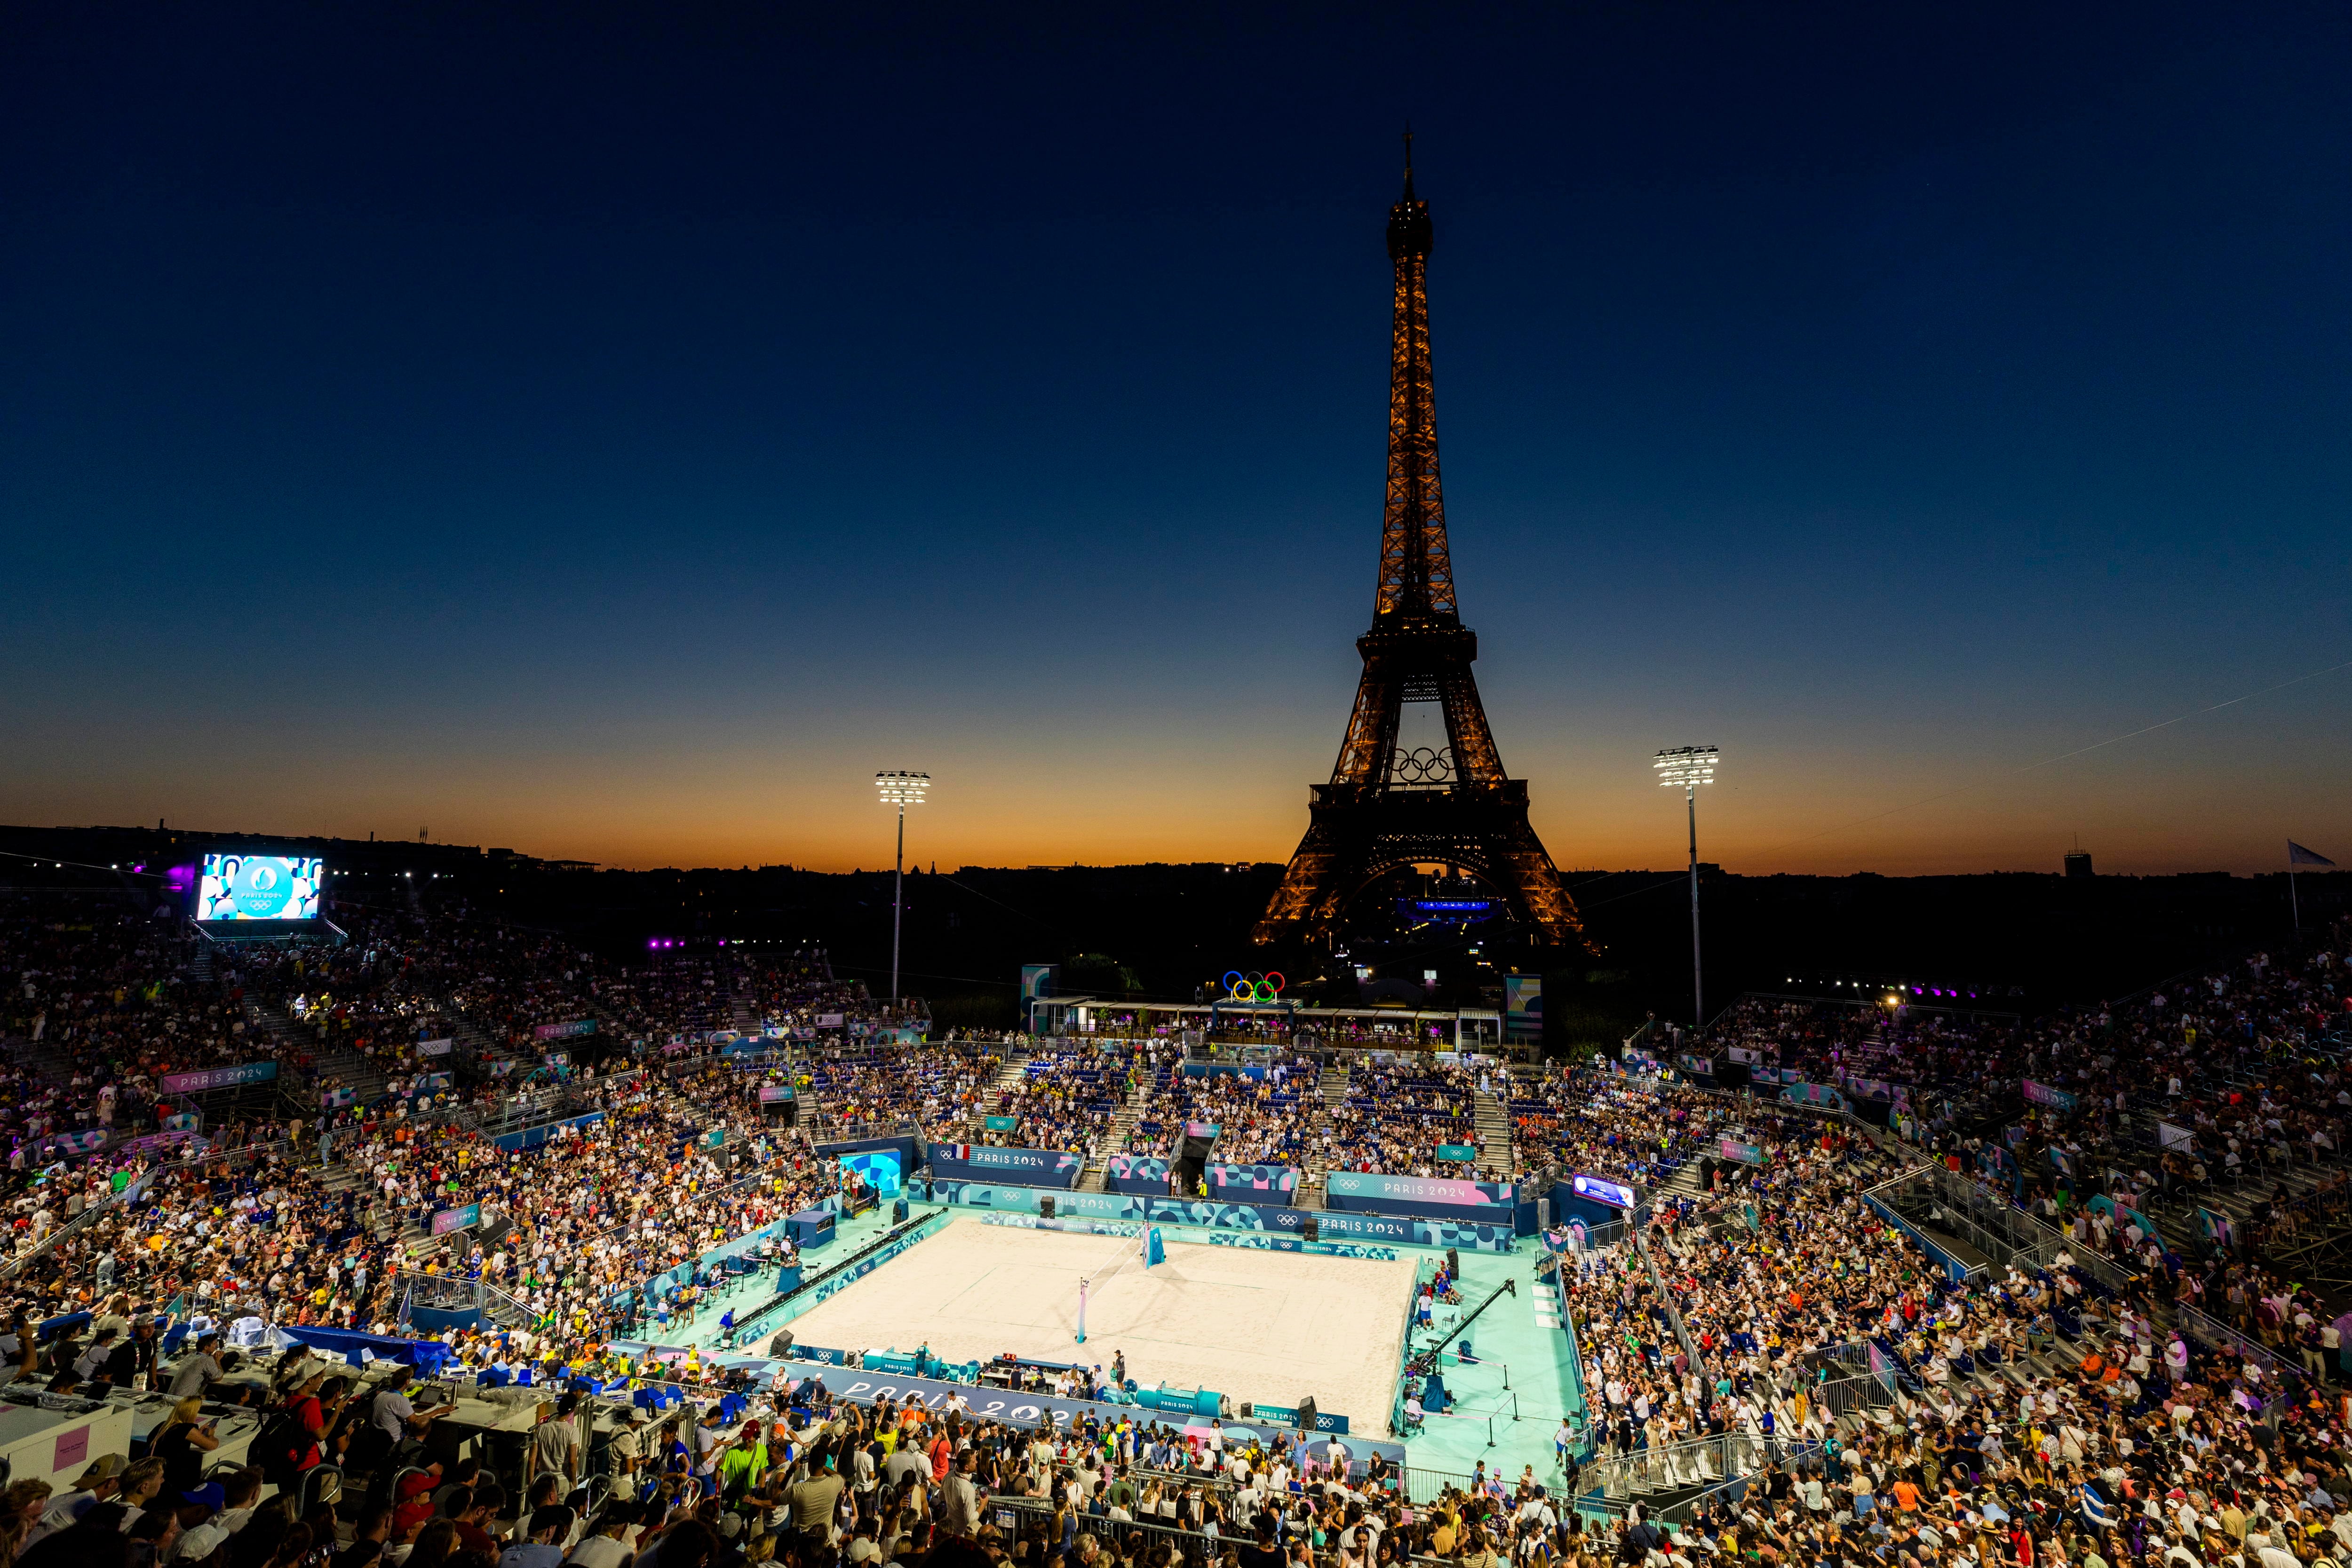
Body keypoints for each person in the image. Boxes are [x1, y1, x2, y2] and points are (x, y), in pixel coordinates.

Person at [150, 1398, 222, 1497]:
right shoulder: (187, 1428)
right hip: (171, 1476)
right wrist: (211, 1435)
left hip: (155, 1469)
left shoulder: (163, 1425)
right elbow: (212, 1445)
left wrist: (198, 1434)